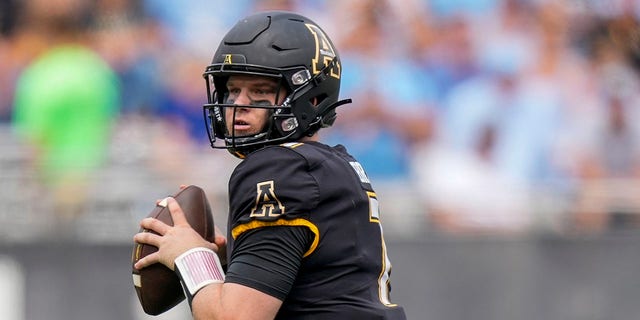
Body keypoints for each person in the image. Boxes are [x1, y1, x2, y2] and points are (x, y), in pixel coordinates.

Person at [133, 11, 407, 319]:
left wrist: (190, 256)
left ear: (310, 98)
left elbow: (235, 318)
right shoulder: (337, 163)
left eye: (260, 92)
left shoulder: (278, 168)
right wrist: (229, 258)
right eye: (233, 90)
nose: (237, 106)